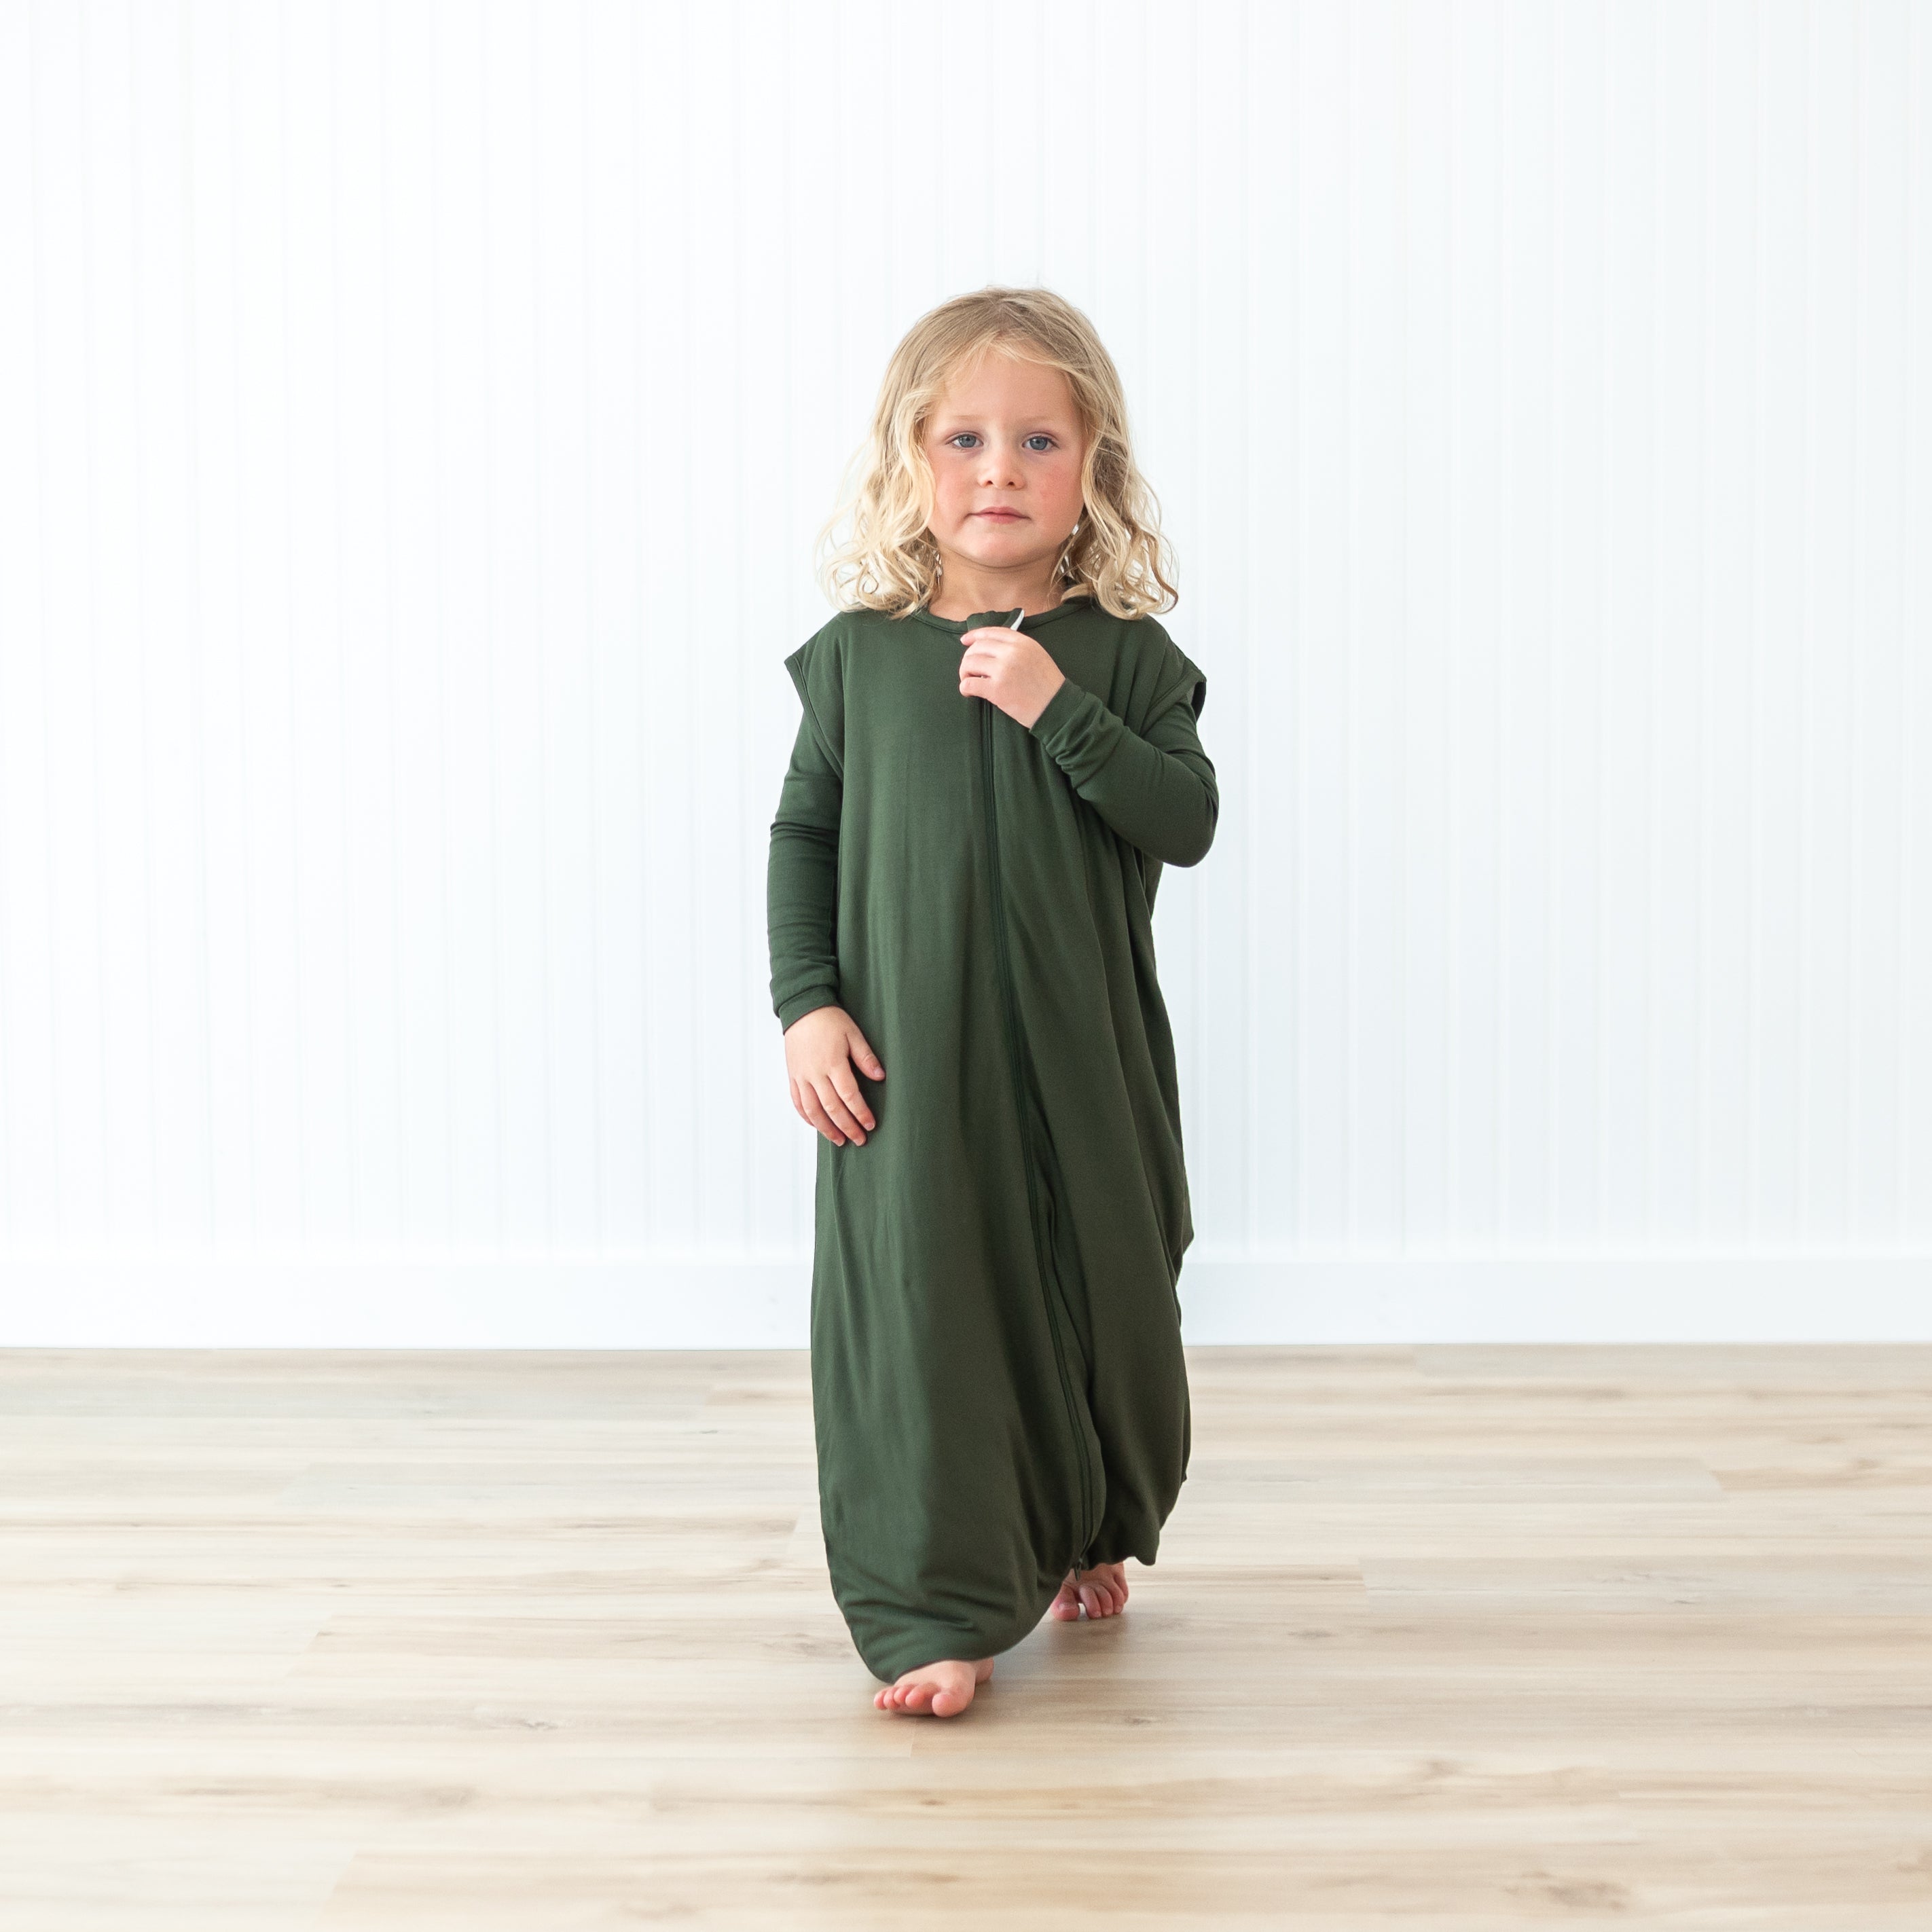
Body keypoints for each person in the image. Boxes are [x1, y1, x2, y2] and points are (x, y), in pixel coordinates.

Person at [765, 285, 1218, 1717]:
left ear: (1092, 468)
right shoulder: (859, 657)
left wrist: (1055, 705)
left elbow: (1184, 819)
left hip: (1086, 1068)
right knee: (927, 1313)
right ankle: (931, 1607)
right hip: (913, 1067)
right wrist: (806, 1002)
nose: (998, 470)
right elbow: (805, 835)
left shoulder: (1125, 656)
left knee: (1102, 1292)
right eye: (962, 438)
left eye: (1037, 440)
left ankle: (1083, 1520)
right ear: (912, 459)